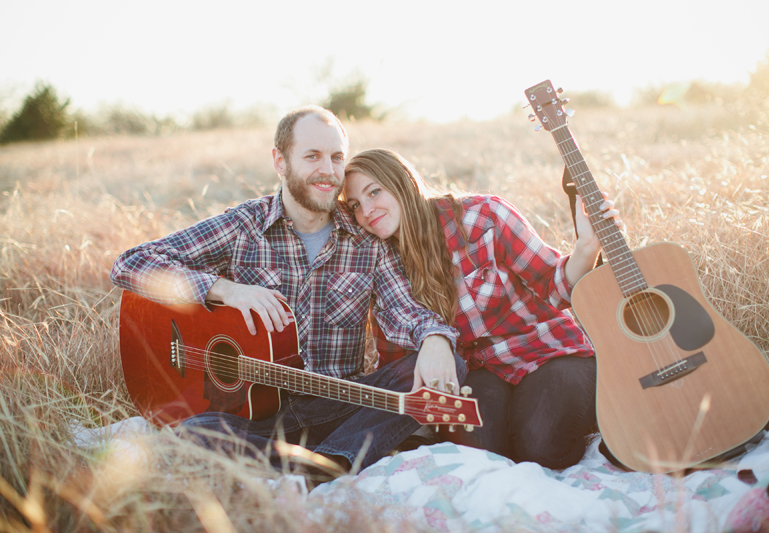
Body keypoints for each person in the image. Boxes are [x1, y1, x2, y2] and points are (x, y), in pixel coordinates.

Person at [110, 107, 465, 479]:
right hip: (255, 414)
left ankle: (323, 467)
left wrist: (435, 338)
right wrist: (224, 290)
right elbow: (131, 263)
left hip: (337, 404)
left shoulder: (367, 241)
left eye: (336, 157)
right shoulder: (244, 226)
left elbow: (406, 311)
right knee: (197, 433)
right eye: (312, 156)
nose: (328, 170)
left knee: (440, 364)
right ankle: (331, 457)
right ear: (280, 161)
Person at [343, 148, 621, 470]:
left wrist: (587, 247)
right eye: (354, 206)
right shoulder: (382, 263)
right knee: (481, 454)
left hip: (547, 351)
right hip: (477, 372)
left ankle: (601, 412)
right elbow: (397, 359)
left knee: (541, 444)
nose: (366, 210)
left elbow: (552, 284)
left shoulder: (482, 216)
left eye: (374, 192)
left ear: (403, 181)